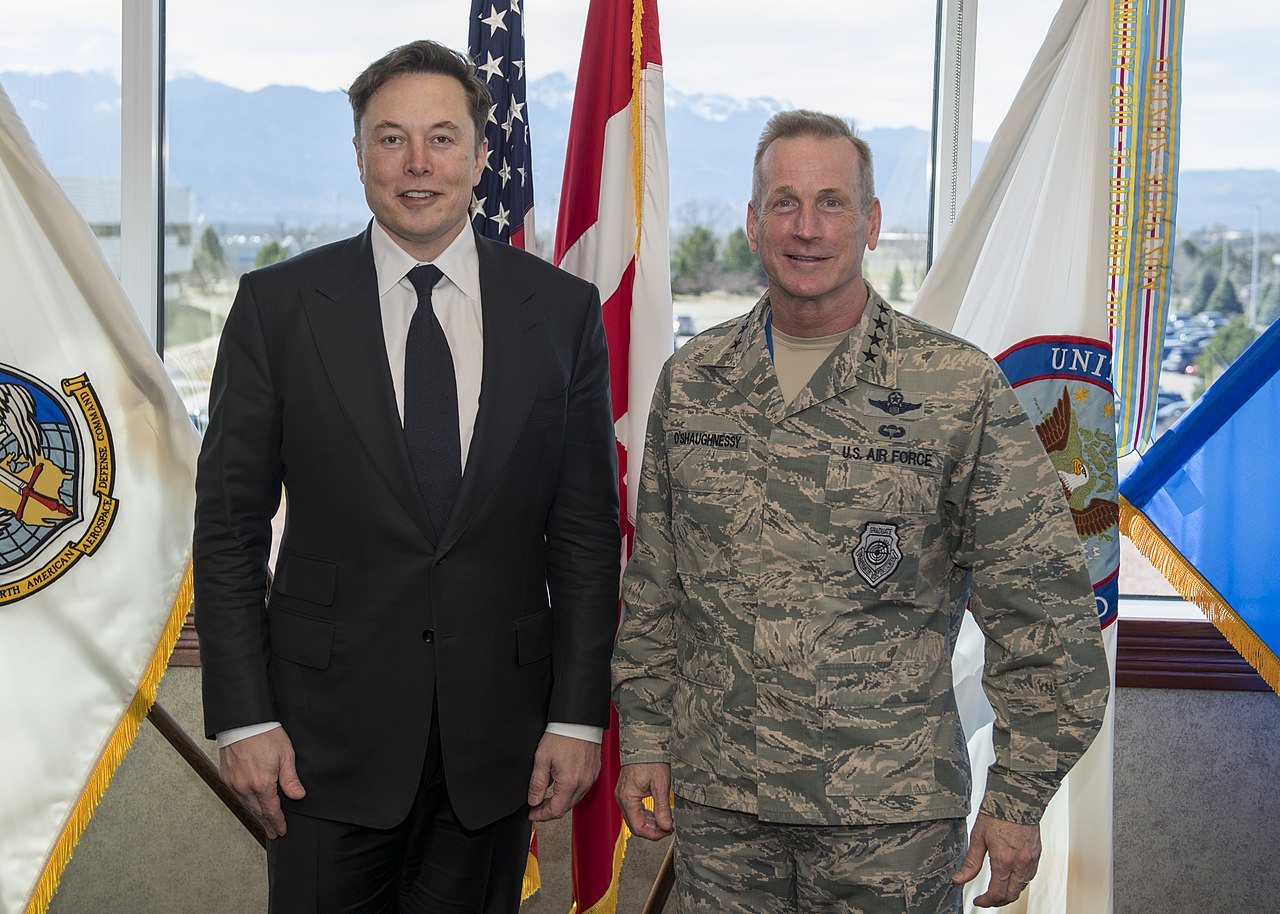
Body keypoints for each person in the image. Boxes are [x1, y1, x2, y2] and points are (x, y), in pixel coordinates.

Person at [612, 109, 1109, 912]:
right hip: (723, 810)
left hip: (891, 825)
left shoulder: (956, 389)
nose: (807, 228)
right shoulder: (695, 381)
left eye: (833, 202)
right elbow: (657, 588)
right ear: (751, 222)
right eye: (784, 203)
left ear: (872, 223)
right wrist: (644, 738)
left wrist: (1018, 798)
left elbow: (1044, 603)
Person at [194, 40, 620, 913]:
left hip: (497, 747)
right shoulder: (279, 308)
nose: (417, 164)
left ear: (479, 154)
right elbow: (229, 525)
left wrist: (577, 719)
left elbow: (582, 530)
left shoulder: (561, 312)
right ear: (358, 156)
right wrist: (243, 716)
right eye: (391, 139)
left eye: (441, 138)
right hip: (318, 747)